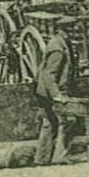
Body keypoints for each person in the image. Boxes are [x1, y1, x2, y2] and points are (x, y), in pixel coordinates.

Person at [32, 29, 76, 166]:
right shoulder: (57, 49)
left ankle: (42, 158)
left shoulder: (60, 43)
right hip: (49, 91)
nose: (75, 32)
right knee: (68, 120)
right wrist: (57, 96)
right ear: (64, 31)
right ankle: (62, 156)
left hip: (44, 91)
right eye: (73, 29)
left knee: (49, 123)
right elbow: (49, 75)